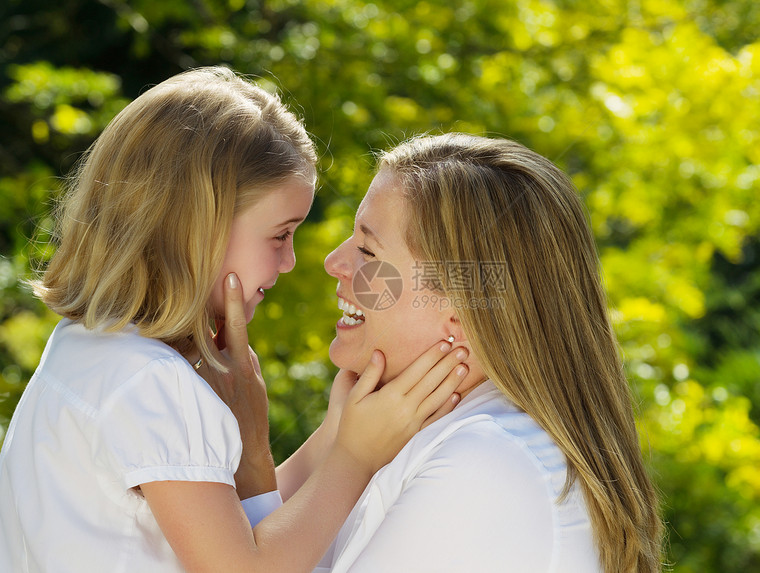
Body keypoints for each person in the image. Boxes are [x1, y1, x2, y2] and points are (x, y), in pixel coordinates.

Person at [0, 68, 469, 573]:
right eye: (279, 235)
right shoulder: (152, 384)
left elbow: (246, 527)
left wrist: (336, 432)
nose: (290, 261)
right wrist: (353, 459)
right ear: (197, 228)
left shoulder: (86, 348)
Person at [276, 132, 663, 572]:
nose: (334, 262)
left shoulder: (487, 464)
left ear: (462, 311)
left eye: (367, 249)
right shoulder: (433, 441)